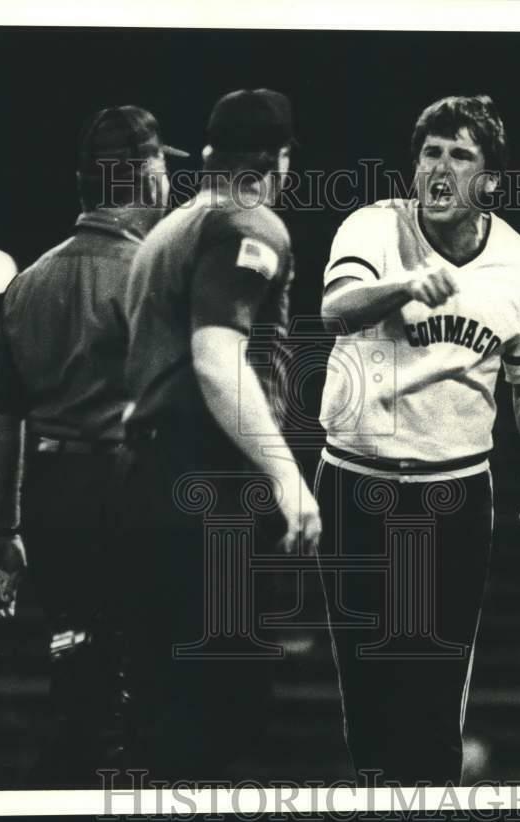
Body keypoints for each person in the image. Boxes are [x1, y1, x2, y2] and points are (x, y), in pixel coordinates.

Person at [315, 94, 520, 786]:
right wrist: (401, 284)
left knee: (431, 691)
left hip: (450, 493)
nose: (441, 168)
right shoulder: (372, 227)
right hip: (354, 481)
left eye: (460, 154)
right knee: (363, 686)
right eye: (431, 152)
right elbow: (335, 309)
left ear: (490, 178)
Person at [0, 105, 187, 785]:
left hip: (49, 502)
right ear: (151, 178)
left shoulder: (27, 284)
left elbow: (1, 421)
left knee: (78, 670)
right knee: (142, 693)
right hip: (129, 499)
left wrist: (0, 531)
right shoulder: (154, 278)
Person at [117, 88, 321, 780]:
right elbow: (216, 355)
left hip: (150, 480)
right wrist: (287, 477)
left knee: (161, 708)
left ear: (207, 155)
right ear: (282, 162)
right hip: (209, 481)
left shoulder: (164, 234)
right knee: (220, 713)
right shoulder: (250, 222)